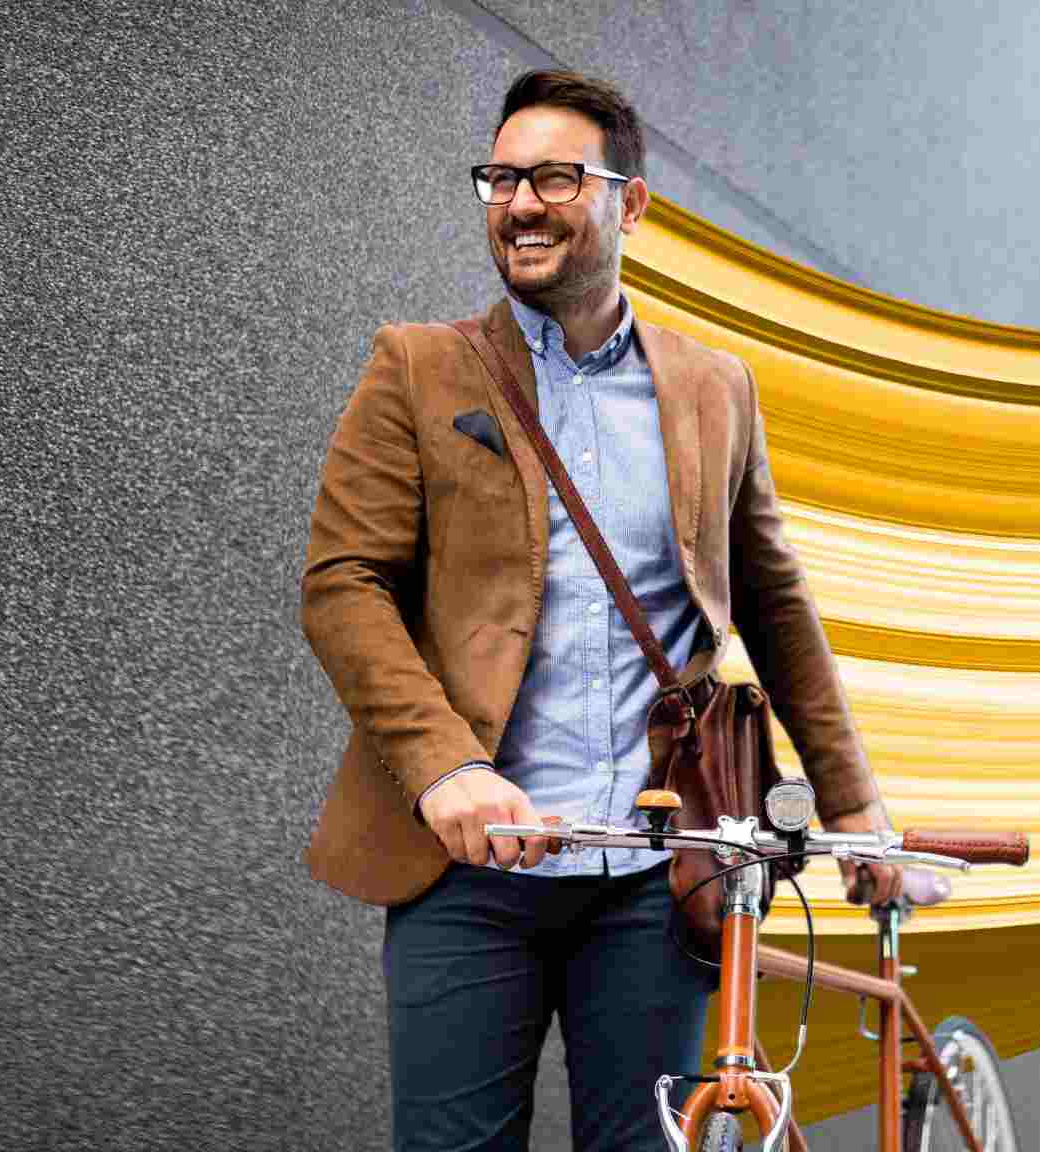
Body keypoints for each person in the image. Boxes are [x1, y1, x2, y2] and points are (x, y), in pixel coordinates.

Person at [300, 69, 903, 1152]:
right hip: (468, 868)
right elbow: (343, 585)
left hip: (655, 877)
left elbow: (773, 606)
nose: (518, 202)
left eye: (553, 177)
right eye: (499, 177)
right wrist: (447, 766)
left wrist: (852, 801)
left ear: (629, 204)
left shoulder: (715, 388)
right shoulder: (417, 369)